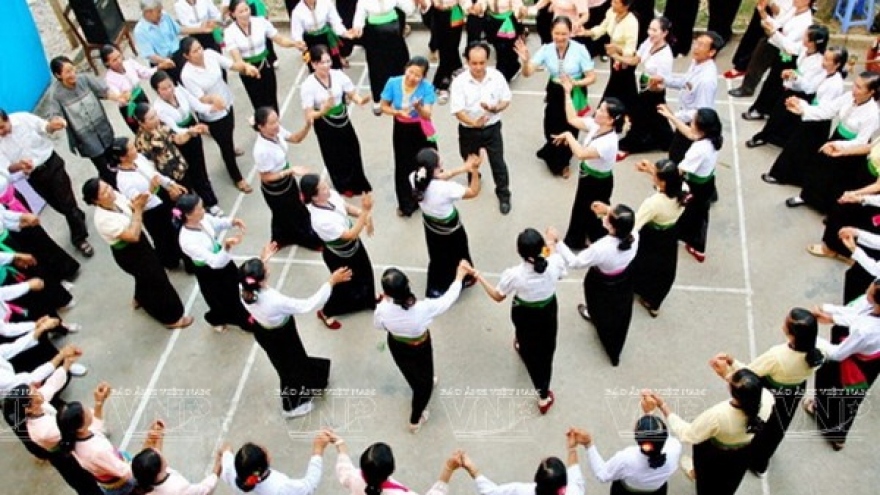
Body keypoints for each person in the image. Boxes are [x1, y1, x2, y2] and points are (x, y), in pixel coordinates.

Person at [710, 307, 826, 476]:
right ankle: (761, 462)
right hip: (793, 392)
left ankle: (745, 457)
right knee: (777, 427)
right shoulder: (817, 355)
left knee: (756, 424)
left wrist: (730, 367)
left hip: (770, 392)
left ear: (791, 333)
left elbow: (749, 375)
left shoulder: (777, 356)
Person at [240, 253, 350, 417]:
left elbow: (252, 278)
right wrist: (331, 282)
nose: (267, 266)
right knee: (288, 369)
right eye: (265, 267)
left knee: (292, 361)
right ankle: (291, 406)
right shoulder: (274, 300)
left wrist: (263, 259)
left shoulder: (242, 287)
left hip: (263, 330)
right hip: (281, 336)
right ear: (262, 278)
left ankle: (309, 379)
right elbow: (307, 305)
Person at [472, 228, 567, 414]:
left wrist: (478, 276)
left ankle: (524, 349)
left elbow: (498, 296)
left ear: (520, 252)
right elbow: (558, 266)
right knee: (546, 350)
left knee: (526, 340)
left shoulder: (514, 274)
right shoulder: (554, 262)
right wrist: (551, 243)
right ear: (541, 247)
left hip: (524, 312)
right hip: (547, 310)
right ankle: (543, 395)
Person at [81, 178, 192, 329]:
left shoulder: (116, 197)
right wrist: (138, 210)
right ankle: (170, 318)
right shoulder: (103, 220)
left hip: (141, 244)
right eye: (104, 192)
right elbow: (133, 235)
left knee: (145, 276)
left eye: (108, 187)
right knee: (157, 280)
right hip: (129, 253)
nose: (110, 191)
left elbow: (134, 205)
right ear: (96, 200)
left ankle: (139, 297)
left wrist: (149, 192)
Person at [647, 369, 774, 495]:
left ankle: (697, 473)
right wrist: (726, 373)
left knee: (707, 483)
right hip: (743, 451)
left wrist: (663, 406)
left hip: (715, 454)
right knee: (730, 480)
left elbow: (688, 434)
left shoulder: (718, 416)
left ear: (731, 390)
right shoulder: (767, 399)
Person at [374, 264, 470, 432]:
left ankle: (421, 384)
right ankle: (415, 418)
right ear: (408, 283)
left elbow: (379, 326)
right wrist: (459, 277)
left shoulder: (382, 309)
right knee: (423, 386)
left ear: (387, 293)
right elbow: (447, 300)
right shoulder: (423, 308)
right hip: (420, 344)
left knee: (409, 372)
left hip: (396, 344)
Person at [550, 204, 638, 367]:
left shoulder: (601, 248)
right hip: (624, 277)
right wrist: (607, 210)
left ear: (612, 227)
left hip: (602, 281)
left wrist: (558, 242)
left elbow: (575, 262)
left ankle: (594, 315)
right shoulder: (634, 235)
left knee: (598, 303)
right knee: (618, 309)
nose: (605, 215)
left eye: (608, 216)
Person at [0, 109, 92, 258]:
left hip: (51, 163)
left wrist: (53, 126)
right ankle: (77, 214)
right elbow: (6, 168)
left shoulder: (23, 119)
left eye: (2, 127)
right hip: (34, 176)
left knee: (66, 202)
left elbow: (44, 127)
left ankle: (79, 238)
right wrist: (19, 165)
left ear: (7, 119)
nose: (1, 132)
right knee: (57, 204)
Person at [784, 72, 880, 212]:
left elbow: (861, 141)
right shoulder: (849, 97)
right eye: (854, 85)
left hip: (852, 147)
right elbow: (828, 110)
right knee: (819, 168)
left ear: (871, 92)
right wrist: (803, 108)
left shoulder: (872, 114)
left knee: (839, 179)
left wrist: (840, 147)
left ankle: (829, 208)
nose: (854, 89)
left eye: (859, 88)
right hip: (837, 135)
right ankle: (806, 196)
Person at [514, 17, 597, 178]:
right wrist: (525, 62)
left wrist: (575, 83)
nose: (560, 37)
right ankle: (552, 154)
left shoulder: (580, 49)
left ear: (571, 33)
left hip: (574, 89)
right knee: (551, 124)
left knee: (570, 126)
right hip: (554, 89)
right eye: (556, 33)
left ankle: (564, 162)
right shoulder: (546, 49)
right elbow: (528, 73)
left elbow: (592, 77)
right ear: (551, 32)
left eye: (564, 34)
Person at [806, 280, 880, 451]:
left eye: (870, 290)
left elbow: (837, 354)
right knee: (851, 399)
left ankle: (827, 422)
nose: (867, 288)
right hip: (871, 360)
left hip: (854, 364)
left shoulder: (866, 331)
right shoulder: (872, 311)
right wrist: (828, 312)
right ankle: (838, 435)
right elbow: (855, 313)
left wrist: (811, 337)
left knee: (834, 388)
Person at [180, 36, 259, 193]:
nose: (200, 52)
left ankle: (229, 144)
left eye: (200, 48)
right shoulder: (187, 75)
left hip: (227, 100)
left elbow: (230, 65)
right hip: (213, 113)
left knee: (229, 130)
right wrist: (213, 99)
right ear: (186, 56)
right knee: (225, 146)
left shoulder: (210, 54)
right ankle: (237, 177)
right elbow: (200, 97)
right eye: (195, 51)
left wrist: (246, 67)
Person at [3, 368, 101, 495]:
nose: (39, 392)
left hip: (66, 447)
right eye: (34, 393)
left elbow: (51, 386)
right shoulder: (43, 430)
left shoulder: (37, 406)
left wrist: (65, 365)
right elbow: (79, 428)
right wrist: (99, 405)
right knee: (87, 486)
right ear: (28, 408)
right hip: (67, 459)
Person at [761, 45, 847, 186]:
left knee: (798, 148)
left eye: (827, 59)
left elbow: (824, 109)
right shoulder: (826, 74)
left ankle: (782, 175)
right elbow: (810, 88)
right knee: (799, 148)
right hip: (813, 113)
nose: (823, 62)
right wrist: (797, 86)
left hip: (817, 119)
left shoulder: (835, 84)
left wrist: (803, 108)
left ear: (837, 64)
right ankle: (790, 176)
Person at [301, 174, 376, 329]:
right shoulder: (320, 220)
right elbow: (350, 235)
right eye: (322, 188)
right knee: (343, 287)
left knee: (366, 272)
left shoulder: (331, 195)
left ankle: (369, 300)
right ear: (314, 197)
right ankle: (327, 311)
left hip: (354, 246)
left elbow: (346, 208)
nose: (327, 188)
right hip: (339, 254)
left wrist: (363, 215)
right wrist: (365, 212)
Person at [553, 93, 626, 248]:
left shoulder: (608, 142)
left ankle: (602, 240)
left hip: (598, 182)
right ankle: (579, 239)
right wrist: (566, 93)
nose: (597, 111)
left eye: (602, 110)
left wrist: (568, 135)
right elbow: (572, 119)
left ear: (611, 120)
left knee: (595, 212)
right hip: (587, 176)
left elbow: (580, 154)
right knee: (582, 209)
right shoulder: (596, 125)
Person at [57, 391, 164, 495]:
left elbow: (96, 425)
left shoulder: (75, 438)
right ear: (80, 427)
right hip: (122, 484)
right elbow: (126, 472)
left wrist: (99, 402)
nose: (90, 410)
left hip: (115, 467)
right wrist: (149, 447)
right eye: (86, 412)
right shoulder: (97, 452)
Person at [449, 42, 513, 214]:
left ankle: (504, 194)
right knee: (469, 159)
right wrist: (472, 123)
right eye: (474, 63)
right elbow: (458, 111)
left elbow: (506, 99)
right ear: (467, 62)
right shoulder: (459, 82)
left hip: (492, 128)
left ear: (488, 61)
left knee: (498, 163)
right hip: (469, 130)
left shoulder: (497, 77)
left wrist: (496, 108)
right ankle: (474, 177)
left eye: (482, 63)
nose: (478, 67)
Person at [300, 44, 373, 196]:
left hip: (342, 118)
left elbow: (351, 92)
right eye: (322, 63)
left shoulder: (338, 75)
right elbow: (309, 115)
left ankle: (358, 182)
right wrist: (323, 110)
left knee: (352, 148)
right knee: (334, 155)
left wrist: (360, 100)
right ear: (313, 64)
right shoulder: (308, 85)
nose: (326, 66)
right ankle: (343, 184)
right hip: (325, 123)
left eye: (328, 61)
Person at [47, 56, 127, 189]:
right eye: (67, 72)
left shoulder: (84, 79)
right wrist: (57, 122)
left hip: (103, 128)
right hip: (86, 139)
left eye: (72, 69)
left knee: (115, 158)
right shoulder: (56, 94)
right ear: (58, 75)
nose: (72, 74)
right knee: (105, 168)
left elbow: (104, 91)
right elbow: (54, 115)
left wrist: (118, 97)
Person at [150, 70, 223, 216]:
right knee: (190, 171)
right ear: (157, 91)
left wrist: (211, 108)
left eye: (170, 86)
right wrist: (190, 131)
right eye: (164, 89)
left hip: (193, 130)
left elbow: (196, 105)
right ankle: (201, 203)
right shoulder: (159, 108)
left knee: (200, 167)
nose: (169, 91)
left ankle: (209, 199)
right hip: (180, 140)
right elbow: (174, 129)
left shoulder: (180, 91)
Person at [176, 194, 251, 333]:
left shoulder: (202, 219)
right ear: (188, 215)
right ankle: (228, 319)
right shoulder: (187, 240)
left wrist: (232, 222)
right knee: (222, 297)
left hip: (222, 258)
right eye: (199, 208)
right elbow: (215, 263)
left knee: (235, 285)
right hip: (208, 270)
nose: (203, 210)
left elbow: (216, 223)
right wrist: (226, 247)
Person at [411, 149, 481, 297]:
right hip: (450, 228)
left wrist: (463, 168)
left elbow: (439, 177)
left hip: (431, 226)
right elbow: (473, 192)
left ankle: (439, 284)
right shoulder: (446, 189)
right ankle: (463, 278)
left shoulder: (414, 178)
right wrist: (474, 171)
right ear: (434, 169)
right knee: (458, 252)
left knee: (437, 256)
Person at [746, 24, 830, 148]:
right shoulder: (804, 49)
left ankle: (778, 139)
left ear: (812, 42)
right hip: (793, 87)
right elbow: (789, 46)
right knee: (777, 115)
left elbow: (810, 87)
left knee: (789, 120)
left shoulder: (819, 63)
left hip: (802, 94)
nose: (803, 37)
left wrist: (795, 77)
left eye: (806, 36)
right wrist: (774, 33)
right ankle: (765, 136)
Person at [657, 107, 723, 263]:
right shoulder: (713, 138)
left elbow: (678, 171)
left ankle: (698, 247)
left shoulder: (699, 150)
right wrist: (670, 116)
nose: (690, 122)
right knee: (694, 212)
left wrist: (655, 174)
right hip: (707, 181)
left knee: (696, 214)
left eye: (693, 121)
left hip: (696, 186)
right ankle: (689, 238)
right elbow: (690, 133)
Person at [252, 107, 322, 250]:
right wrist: (289, 171)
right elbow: (265, 177)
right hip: (275, 188)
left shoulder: (277, 132)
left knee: (296, 209)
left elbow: (296, 138)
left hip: (287, 181)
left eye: (277, 120)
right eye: (271, 123)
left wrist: (307, 125)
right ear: (261, 127)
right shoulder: (261, 150)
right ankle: (306, 239)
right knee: (288, 213)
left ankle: (286, 237)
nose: (276, 125)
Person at [111, 136, 186, 270]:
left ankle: (185, 257)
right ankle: (170, 261)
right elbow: (138, 203)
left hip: (162, 198)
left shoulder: (139, 159)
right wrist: (150, 190)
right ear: (122, 157)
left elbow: (155, 175)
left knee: (176, 227)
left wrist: (171, 184)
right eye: (132, 148)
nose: (136, 150)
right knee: (163, 238)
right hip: (151, 211)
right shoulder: (123, 180)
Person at [577, 400, 682, 494]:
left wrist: (588, 444)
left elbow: (602, 474)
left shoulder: (627, 459)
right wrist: (650, 412)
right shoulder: (674, 448)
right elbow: (659, 436)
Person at [647, 32, 721, 163]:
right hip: (685, 117)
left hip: (692, 123)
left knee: (679, 154)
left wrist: (674, 116)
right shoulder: (697, 62)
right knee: (676, 150)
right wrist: (664, 80)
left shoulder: (706, 81)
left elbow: (701, 111)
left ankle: (673, 180)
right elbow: (685, 81)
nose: (696, 47)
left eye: (702, 45)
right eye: (696, 43)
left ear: (712, 52)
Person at [380, 56, 438, 217]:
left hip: (420, 128)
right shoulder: (393, 82)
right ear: (406, 68)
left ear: (423, 77)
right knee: (403, 165)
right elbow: (383, 106)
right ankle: (406, 203)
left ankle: (425, 193)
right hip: (401, 129)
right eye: (410, 72)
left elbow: (427, 115)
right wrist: (396, 112)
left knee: (427, 162)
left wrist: (418, 108)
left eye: (417, 75)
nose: (412, 78)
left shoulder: (427, 88)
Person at [738, 0, 816, 119]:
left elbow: (789, 43)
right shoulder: (794, 11)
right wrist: (763, 12)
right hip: (782, 50)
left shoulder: (805, 21)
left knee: (776, 84)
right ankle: (762, 109)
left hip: (791, 55)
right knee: (772, 81)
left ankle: (764, 110)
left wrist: (773, 33)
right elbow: (778, 24)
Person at [630, 159, 686, 317]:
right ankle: (653, 303)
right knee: (664, 268)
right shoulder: (684, 190)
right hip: (670, 233)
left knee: (641, 261)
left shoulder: (653, 203)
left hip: (651, 235)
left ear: (661, 183)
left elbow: (635, 224)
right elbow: (666, 184)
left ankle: (636, 286)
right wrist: (650, 170)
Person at [225, 0, 302, 114]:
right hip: (247, 69)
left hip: (265, 64)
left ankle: (276, 124)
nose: (245, 14)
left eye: (247, 9)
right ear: (232, 14)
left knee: (271, 98)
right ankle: (262, 127)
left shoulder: (260, 22)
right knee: (257, 101)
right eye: (241, 12)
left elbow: (279, 39)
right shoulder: (230, 32)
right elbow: (237, 59)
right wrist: (247, 67)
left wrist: (294, 44)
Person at [457, 430, 587, 495]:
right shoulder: (574, 492)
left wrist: (472, 469)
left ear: (536, 478)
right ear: (564, 484)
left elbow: (492, 492)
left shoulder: (521, 490)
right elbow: (576, 476)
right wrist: (572, 448)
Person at [616, 16, 674, 157]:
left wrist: (648, 90)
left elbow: (662, 80)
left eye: (655, 30)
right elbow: (636, 59)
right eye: (650, 29)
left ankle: (629, 145)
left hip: (653, 91)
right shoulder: (649, 42)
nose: (650, 33)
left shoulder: (666, 56)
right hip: (644, 85)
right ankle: (668, 141)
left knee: (641, 117)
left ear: (664, 33)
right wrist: (619, 58)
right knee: (656, 118)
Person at [350, 0, 415, 115]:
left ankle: (403, 98)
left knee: (401, 65)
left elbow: (409, 9)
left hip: (394, 32)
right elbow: (359, 17)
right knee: (376, 69)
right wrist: (357, 28)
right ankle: (378, 100)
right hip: (374, 36)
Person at [332, 439, 455, 495]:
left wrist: (340, 445)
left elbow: (344, 469)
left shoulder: (355, 477)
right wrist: (448, 470)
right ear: (392, 469)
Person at [0, 316, 84, 396]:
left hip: (15, 385)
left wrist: (41, 327)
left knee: (60, 372)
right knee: (57, 377)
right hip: (15, 396)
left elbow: (13, 347)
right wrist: (61, 356)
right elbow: (31, 379)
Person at [219, 435, 329, 493]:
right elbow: (308, 486)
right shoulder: (281, 487)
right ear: (266, 460)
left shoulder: (231, 473)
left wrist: (226, 452)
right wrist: (318, 450)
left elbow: (225, 454)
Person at [583, 0, 639, 113]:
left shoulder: (632, 22)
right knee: (623, 86)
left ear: (626, 6)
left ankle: (610, 110)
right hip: (613, 55)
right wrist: (586, 32)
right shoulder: (611, 13)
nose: (612, 4)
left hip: (625, 59)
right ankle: (622, 111)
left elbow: (630, 48)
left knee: (621, 85)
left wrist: (618, 53)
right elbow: (602, 28)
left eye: (616, 3)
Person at [131, 435, 222, 495]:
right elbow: (204, 490)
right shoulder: (178, 488)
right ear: (159, 470)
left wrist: (159, 436)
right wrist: (216, 470)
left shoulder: (143, 480)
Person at [134, 0, 198, 84]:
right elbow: (149, 54)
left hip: (178, 53)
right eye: (158, 12)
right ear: (148, 12)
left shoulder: (165, 16)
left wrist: (201, 29)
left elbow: (178, 30)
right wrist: (164, 60)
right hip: (162, 62)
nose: (161, 14)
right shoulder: (140, 31)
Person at [100, 45, 155, 134]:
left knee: (152, 121)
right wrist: (124, 96)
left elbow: (145, 73)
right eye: (114, 60)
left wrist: (158, 68)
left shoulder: (129, 63)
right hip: (129, 107)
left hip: (141, 97)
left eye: (119, 56)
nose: (119, 61)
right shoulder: (109, 79)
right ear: (107, 63)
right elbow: (118, 97)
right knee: (141, 132)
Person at [290, 0, 350, 70]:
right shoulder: (297, 12)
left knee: (334, 65)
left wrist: (345, 33)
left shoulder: (326, 3)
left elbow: (336, 22)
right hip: (310, 40)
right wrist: (299, 43)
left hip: (326, 37)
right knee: (316, 67)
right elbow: (296, 33)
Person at [430, 0, 470, 103]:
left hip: (454, 12)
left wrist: (469, 8)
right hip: (437, 13)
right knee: (443, 47)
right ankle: (456, 66)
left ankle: (442, 84)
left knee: (452, 46)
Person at [480, 0, 526, 82]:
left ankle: (510, 70)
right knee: (499, 49)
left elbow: (518, 7)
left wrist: (520, 11)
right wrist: (479, 7)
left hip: (508, 22)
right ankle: (502, 73)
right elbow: (482, 4)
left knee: (509, 48)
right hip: (493, 22)